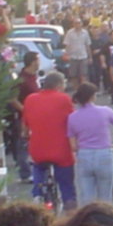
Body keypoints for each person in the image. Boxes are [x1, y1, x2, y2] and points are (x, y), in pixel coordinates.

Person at [22, 71, 77, 211]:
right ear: (59, 85)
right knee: (66, 187)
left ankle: (37, 196)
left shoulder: (30, 99)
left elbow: (24, 126)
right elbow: (73, 122)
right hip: (61, 151)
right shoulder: (64, 99)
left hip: (38, 150)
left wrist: (25, 135)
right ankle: (70, 213)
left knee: (38, 167)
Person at [9, 51, 42, 182]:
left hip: (35, 116)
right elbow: (12, 99)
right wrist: (25, 110)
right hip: (24, 117)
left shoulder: (34, 77)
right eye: (38, 59)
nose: (39, 62)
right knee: (23, 143)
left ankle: (31, 169)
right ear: (33, 62)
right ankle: (25, 173)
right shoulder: (22, 79)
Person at [62, 19, 92, 91]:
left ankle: (83, 90)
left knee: (84, 74)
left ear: (81, 24)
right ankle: (76, 90)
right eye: (75, 23)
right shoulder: (69, 33)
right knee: (73, 75)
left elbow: (87, 45)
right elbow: (66, 44)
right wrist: (66, 54)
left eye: (79, 23)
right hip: (73, 57)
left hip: (83, 56)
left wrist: (90, 57)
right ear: (73, 24)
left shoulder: (85, 33)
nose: (77, 25)